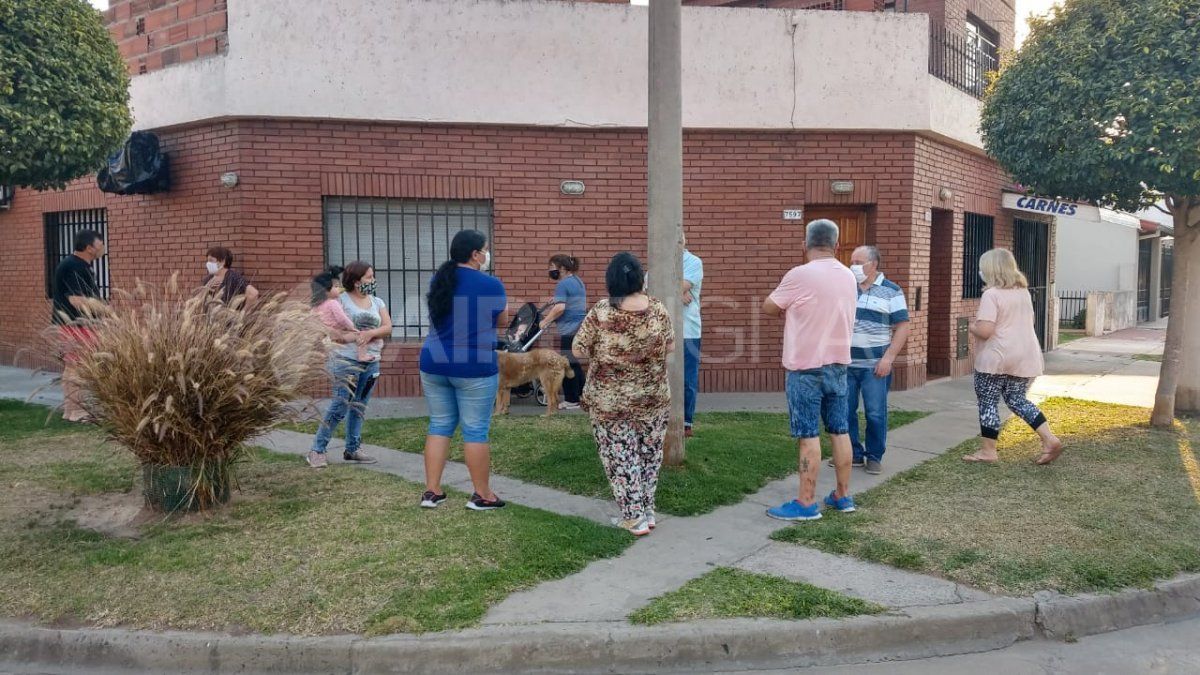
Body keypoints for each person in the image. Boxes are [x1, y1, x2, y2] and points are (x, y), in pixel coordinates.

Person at [762, 219, 858, 522]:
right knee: (840, 430)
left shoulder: (799, 275)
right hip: (839, 364)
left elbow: (769, 306)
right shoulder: (849, 276)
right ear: (837, 245)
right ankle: (843, 495)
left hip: (805, 367)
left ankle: (806, 503)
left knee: (808, 434)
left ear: (804, 245)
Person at [573, 252, 674, 536]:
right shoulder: (658, 308)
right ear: (640, 278)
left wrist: (604, 352)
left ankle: (633, 517)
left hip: (610, 402)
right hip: (654, 397)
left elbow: (578, 349)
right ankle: (647, 511)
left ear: (612, 280)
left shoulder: (602, 311)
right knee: (649, 457)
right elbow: (670, 347)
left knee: (621, 458)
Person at [418, 229, 509, 511]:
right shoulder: (491, 284)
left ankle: (432, 491)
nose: (487, 254)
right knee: (475, 430)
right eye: (485, 250)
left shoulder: (439, 279)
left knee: (439, 425)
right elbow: (502, 321)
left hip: (434, 362)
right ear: (475, 254)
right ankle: (483, 495)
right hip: (474, 366)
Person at [964, 248, 1063, 465]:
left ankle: (988, 451)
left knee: (988, 402)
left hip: (996, 356)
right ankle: (1049, 439)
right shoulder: (1023, 292)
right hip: (1023, 355)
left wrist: (971, 326)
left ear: (990, 269)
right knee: (1017, 399)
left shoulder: (991, 295)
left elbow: (985, 331)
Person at [306, 261, 391, 468]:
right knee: (340, 405)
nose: (373, 280)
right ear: (356, 281)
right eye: (369, 277)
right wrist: (349, 337)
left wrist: (370, 333)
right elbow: (325, 326)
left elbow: (387, 327)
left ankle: (353, 448)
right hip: (345, 360)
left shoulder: (377, 301)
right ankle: (317, 450)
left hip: (371, 361)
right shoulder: (338, 300)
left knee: (359, 406)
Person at [842, 245, 910, 475]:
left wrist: (888, 358)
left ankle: (874, 456)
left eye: (858, 262)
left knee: (875, 412)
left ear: (873, 264)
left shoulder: (892, 291)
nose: (853, 266)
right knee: (845, 411)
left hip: (875, 365)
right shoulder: (846, 288)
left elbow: (902, 327)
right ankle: (853, 454)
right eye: (852, 261)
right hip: (845, 363)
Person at [51, 229, 106, 423]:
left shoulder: (77, 265)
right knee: (77, 367)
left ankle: (70, 410)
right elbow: (76, 299)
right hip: (76, 325)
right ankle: (76, 411)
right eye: (100, 244)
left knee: (73, 367)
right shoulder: (75, 267)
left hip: (75, 324)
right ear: (89, 248)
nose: (103, 248)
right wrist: (106, 309)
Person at [540, 254, 586, 409]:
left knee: (567, 364)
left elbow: (560, 308)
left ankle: (571, 400)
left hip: (569, 329)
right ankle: (583, 394)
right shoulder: (577, 281)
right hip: (579, 328)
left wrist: (545, 321)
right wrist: (557, 300)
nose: (550, 271)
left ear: (563, 268)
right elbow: (572, 301)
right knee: (574, 363)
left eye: (552, 268)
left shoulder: (562, 284)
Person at [310, 266, 375, 363]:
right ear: (326, 290)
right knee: (360, 335)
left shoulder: (316, 305)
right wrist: (351, 327)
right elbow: (342, 319)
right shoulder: (332, 303)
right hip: (337, 334)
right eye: (336, 286)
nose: (339, 289)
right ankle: (362, 356)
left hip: (323, 334)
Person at [681, 236, 703, 438]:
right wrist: (678, 290)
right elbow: (646, 289)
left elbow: (683, 285)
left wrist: (676, 289)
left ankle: (686, 422)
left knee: (687, 378)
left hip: (688, 331)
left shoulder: (693, 262)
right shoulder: (658, 264)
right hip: (663, 329)